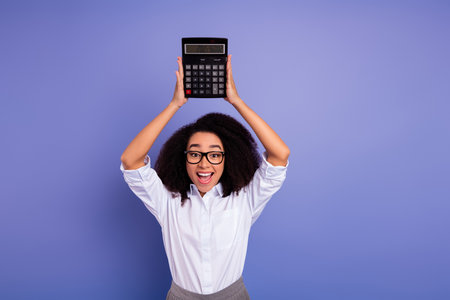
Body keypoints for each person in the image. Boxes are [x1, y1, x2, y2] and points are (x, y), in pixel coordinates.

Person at [120, 54, 290, 300]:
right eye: (195, 154)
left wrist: (237, 101)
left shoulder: (245, 199)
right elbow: (131, 160)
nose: (204, 163)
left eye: (214, 155)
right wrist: (174, 105)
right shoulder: (167, 200)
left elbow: (279, 154)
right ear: (183, 157)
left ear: (226, 158)